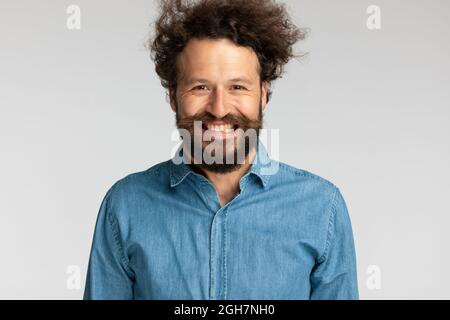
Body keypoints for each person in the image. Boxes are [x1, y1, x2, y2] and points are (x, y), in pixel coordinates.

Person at [84, 0, 359, 300]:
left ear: (263, 95)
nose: (219, 108)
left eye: (237, 87)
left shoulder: (321, 208)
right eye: (200, 87)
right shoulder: (124, 206)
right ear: (173, 96)